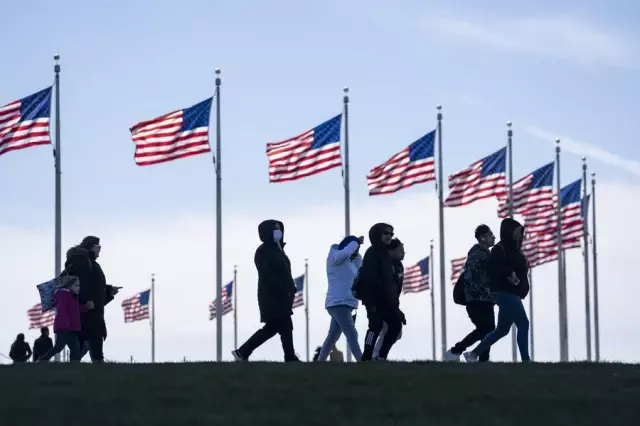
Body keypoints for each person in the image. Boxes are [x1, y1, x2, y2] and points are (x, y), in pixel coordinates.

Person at [464, 218, 531, 363]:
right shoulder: (499, 249)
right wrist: (509, 273)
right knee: (523, 324)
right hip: (504, 292)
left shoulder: (516, 250)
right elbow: (491, 267)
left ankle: (473, 354)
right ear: (509, 232)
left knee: (502, 330)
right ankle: (526, 361)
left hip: (512, 293)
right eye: (518, 232)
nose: (521, 236)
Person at [232, 220, 299, 362]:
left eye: (280, 229)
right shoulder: (263, 251)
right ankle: (289, 357)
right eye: (275, 229)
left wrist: (290, 288)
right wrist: (283, 288)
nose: (278, 232)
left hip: (283, 295)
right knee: (281, 325)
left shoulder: (279, 250)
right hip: (271, 296)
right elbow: (267, 275)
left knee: (277, 327)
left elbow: (285, 272)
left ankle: (243, 352)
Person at [445, 225, 497, 362]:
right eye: (491, 234)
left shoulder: (486, 254)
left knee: (489, 330)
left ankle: (483, 360)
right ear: (483, 238)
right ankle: (455, 351)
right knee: (485, 329)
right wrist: (481, 292)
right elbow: (470, 276)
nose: (494, 237)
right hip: (476, 300)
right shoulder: (477, 253)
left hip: (486, 300)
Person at [65, 236, 118, 363]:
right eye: (98, 247)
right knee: (93, 346)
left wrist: (109, 291)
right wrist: (86, 302)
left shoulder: (85, 262)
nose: (100, 251)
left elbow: (94, 288)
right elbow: (83, 285)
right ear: (92, 247)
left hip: (89, 311)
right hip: (88, 312)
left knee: (83, 347)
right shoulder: (83, 262)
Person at [357, 223, 405, 361]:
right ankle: (367, 357)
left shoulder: (385, 255)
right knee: (374, 328)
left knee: (395, 326)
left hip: (386, 300)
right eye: (386, 233)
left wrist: (393, 303)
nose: (389, 236)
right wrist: (373, 299)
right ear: (377, 234)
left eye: (391, 233)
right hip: (373, 299)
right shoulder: (372, 252)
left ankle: (381, 357)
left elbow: (389, 282)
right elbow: (369, 278)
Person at [316, 235, 364, 361]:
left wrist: (357, 253)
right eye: (354, 249)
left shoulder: (351, 262)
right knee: (352, 334)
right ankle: (363, 361)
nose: (356, 252)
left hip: (346, 303)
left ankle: (320, 362)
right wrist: (355, 242)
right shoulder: (335, 257)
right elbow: (344, 254)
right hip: (338, 303)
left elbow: (361, 270)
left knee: (332, 336)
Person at [38, 276, 88, 362]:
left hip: (71, 328)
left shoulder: (72, 296)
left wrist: (85, 308)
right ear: (70, 286)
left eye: (79, 285)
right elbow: (62, 312)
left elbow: (74, 310)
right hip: (65, 328)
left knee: (75, 349)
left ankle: (74, 365)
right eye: (76, 285)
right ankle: (43, 360)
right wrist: (65, 326)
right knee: (59, 348)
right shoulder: (63, 295)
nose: (79, 287)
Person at [372, 238, 405, 359]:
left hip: (391, 303)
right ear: (391, 251)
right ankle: (377, 356)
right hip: (381, 303)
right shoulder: (385, 265)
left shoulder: (399, 265)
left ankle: (376, 356)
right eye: (400, 250)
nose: (403, 253)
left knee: (393, 331)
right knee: (393, 329)